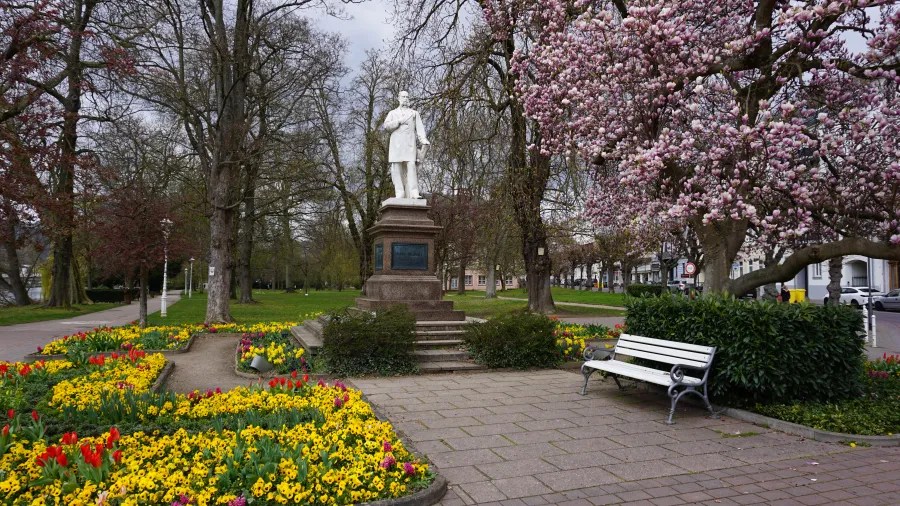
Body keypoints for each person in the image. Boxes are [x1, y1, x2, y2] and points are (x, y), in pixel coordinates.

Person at [383, 91, 430, 199]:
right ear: (399, 98)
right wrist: (399, 121)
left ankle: (414, 192)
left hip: (409, 144)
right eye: (403, 97)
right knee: (396, 168)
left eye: (407, 97)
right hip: (396, 144)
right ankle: (399, 192)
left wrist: (424, 140)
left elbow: (420, 129)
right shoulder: (393, 113)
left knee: (411, 166)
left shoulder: (414, 113)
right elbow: (386, 126)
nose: (405, 99)